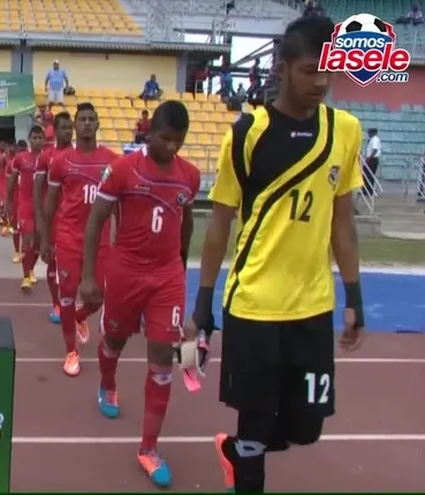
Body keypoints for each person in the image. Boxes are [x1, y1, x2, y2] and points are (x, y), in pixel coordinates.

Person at [189, 15, 365, 493]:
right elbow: (219, 223)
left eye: (329, 71)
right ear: (283, 68)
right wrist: (203, 305)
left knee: (306, 428)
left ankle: (238, 447)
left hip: (312, 307)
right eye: (311, 71)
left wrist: (355, 298)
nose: (322, 83)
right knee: (254, 428)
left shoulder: (345, 131)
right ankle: (243, 460)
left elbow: (342, 224)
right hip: (253, 305)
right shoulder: (247, 133)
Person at [80, 100, 199, 488]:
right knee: (114, 339)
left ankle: (149, 447)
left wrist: (180, 265)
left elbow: (187, 221)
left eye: (179, 141)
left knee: (163, 354)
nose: (172, 148)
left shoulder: (189, 176)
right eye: (166, 138)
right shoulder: (122, 171)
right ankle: (108, 382)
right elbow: (97, 219)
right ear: (149, 134)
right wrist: (88, 277)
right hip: (126, 271)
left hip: (167, 277)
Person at [40, 102, 117, 377]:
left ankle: (81, 318)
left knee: (99, 295)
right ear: (75, 125)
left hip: (101, 242)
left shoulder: (113, 161)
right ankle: (71, 351)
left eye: (90, 119)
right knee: (68, 296)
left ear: (97, 125)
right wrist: (46, 239)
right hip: (69, 237)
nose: (86, 123)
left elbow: (120, 204)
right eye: (81, 119)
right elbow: (50, 203)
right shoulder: (62, 161)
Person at [34, 111, 74, 324]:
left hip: (74, 220)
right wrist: (41, 224)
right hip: (53, 218)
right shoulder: (45, 157)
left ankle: (71, 302)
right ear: (55, 131)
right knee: (53, 263)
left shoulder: (79, 155)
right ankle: (57, 303)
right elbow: (37, 192)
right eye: (64, 127)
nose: (67, 131)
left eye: (70, 127)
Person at [6, 126, 46, 290]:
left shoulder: (50, 158)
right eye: (34, 138)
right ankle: (25, 277)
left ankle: (30, 268)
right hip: (25, 204)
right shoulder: (21, 158)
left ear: (44, 139)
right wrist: (8, 200)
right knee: (28, 239)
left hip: (43, 205)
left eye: (40, 138)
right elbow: (12, 180)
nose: (37, 141)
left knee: (38, 243)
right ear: (30, 139)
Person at [5, 141, 25, 262]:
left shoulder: (33, 162)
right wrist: (9, 202)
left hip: (28, 199)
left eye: (24, 149)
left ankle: (26, 253)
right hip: (17, 198)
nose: (22, 151)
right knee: (16, 227)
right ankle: (17, 251)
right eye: (20, 149)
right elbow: (9, 185)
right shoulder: (11, 164)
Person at [363, 127, 380, 198]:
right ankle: (367, 190)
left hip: (372, 159)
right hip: (372, 159)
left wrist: (368, 158)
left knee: (368, 174)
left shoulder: (375, 139)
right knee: (368, 174)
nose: (368, 134)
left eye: (369, 133)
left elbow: (375, 150)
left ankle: (368, 190)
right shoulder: (372, 139)